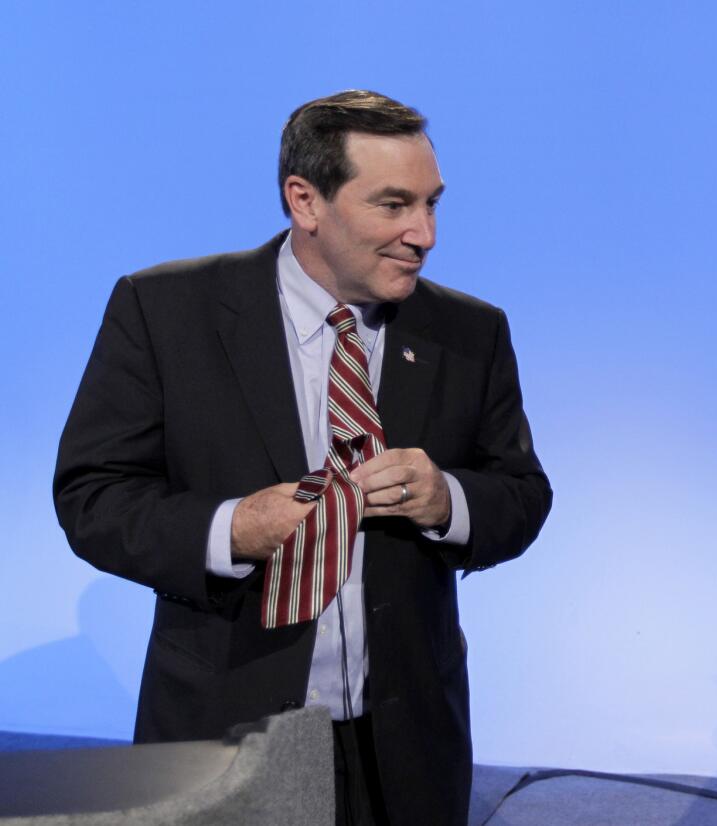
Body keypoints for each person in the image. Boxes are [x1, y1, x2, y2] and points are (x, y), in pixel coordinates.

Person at [53, 90, 552, 825]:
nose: (425, 234)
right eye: (393, 205)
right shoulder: (164, 312)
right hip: (227, 733)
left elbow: (521, 495)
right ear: (305, 201)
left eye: (432, 204)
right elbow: (92, 497)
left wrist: (448, 500)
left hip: (408, 743)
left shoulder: (468, 331)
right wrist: (230, 529)